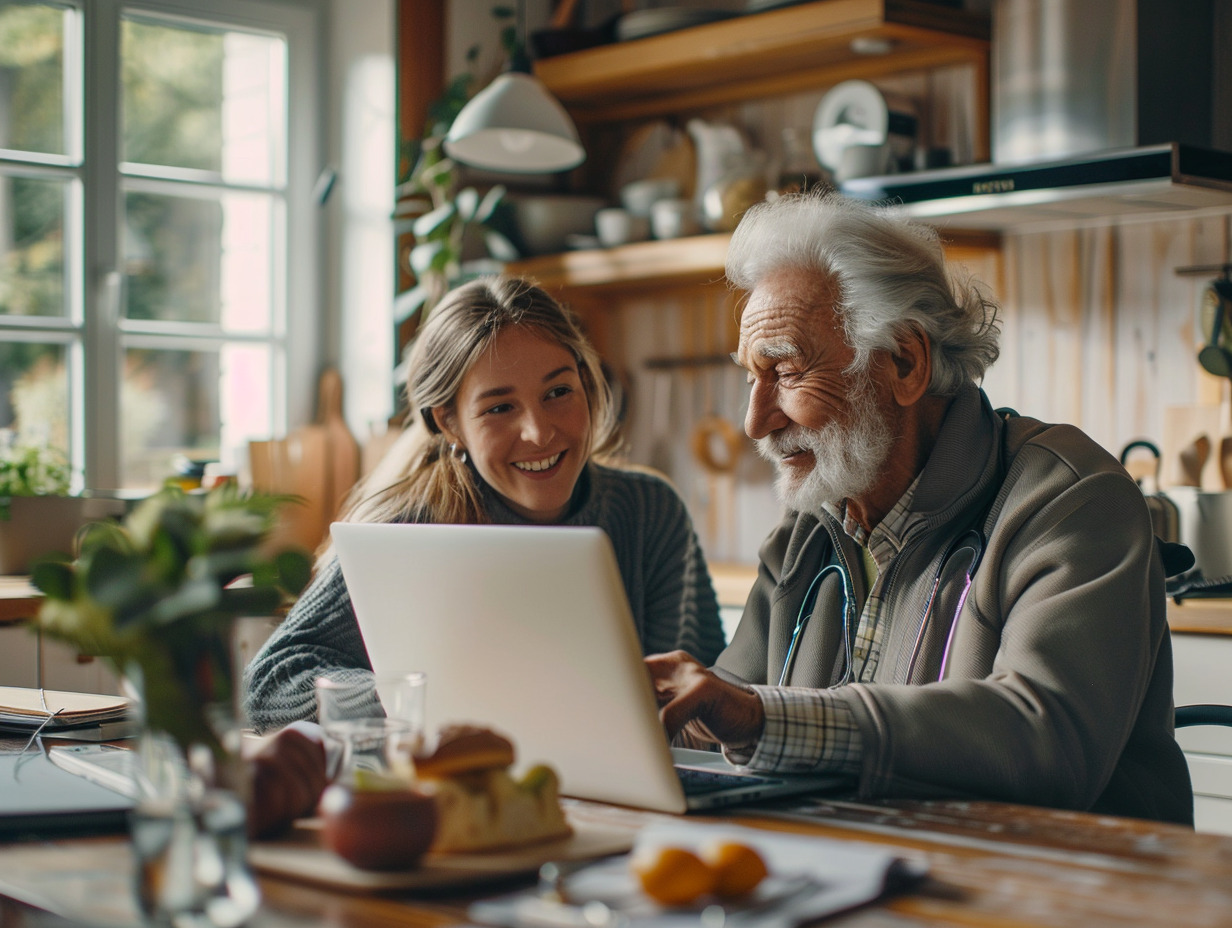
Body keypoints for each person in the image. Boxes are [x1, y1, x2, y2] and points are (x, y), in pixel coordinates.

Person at [648, 192, 1193, 825]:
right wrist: (636, 707)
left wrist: (764, 717)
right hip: (877, 879)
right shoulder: (810, 529)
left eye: (788, 372)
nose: (754, 421)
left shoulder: (1069, 498)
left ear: (905, 361)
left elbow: (1050, 742)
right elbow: (724, 714)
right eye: (752, 376)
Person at [244, 276, 726, 733]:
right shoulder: (407, 531)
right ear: (449, 423)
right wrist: (422, 698)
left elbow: (707, 698)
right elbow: (267, 686)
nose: (539, 432)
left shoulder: (650, 512)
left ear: (587, 384)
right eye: (499, 408)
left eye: (558, 392)